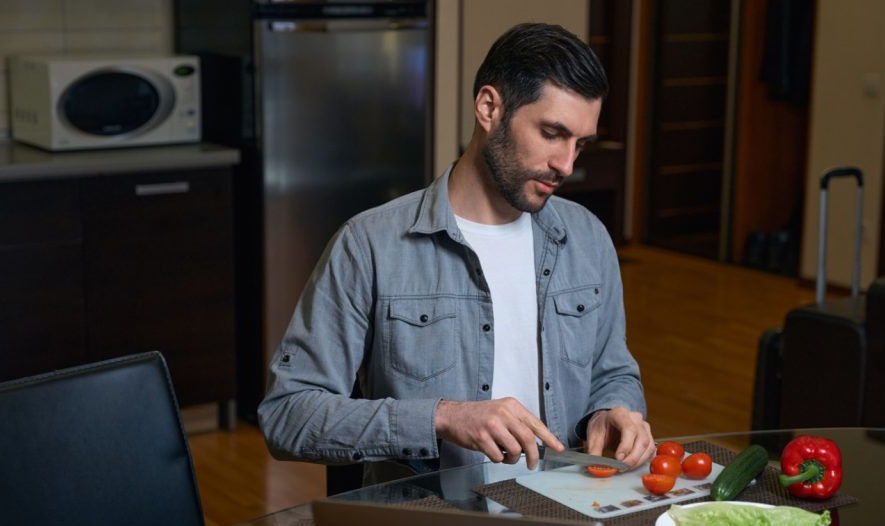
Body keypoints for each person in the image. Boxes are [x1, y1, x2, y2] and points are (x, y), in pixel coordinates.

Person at [259, 22, 654, 484]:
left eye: (579, 144)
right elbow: (288, 415)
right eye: (552, 133)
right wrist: (441, 418)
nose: (566, 165)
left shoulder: (587, 237)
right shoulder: (369, 245)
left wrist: (610, 412)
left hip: (569, 515)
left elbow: (614, 372)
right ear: (489, 108)